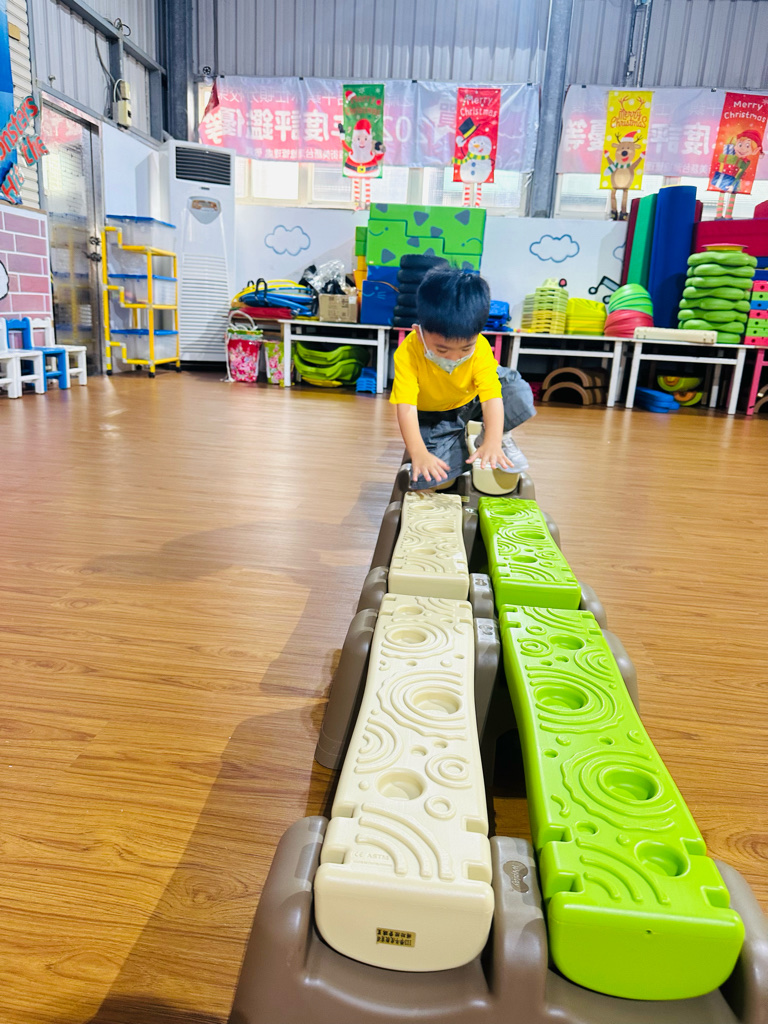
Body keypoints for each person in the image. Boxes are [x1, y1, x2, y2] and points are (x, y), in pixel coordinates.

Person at [390, 267, 535, 490]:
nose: (455, 358)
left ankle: (495, 434)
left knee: (517, 392)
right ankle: (454, 440)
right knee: (433, 479)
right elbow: (406, 407)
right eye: (442, 350)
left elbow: (492, 397)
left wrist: (493, 440)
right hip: (436, 416)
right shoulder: (408, 353)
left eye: (466, 348)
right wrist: (418, 452)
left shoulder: (481, 348)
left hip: (471, 402)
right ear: (419, 333)